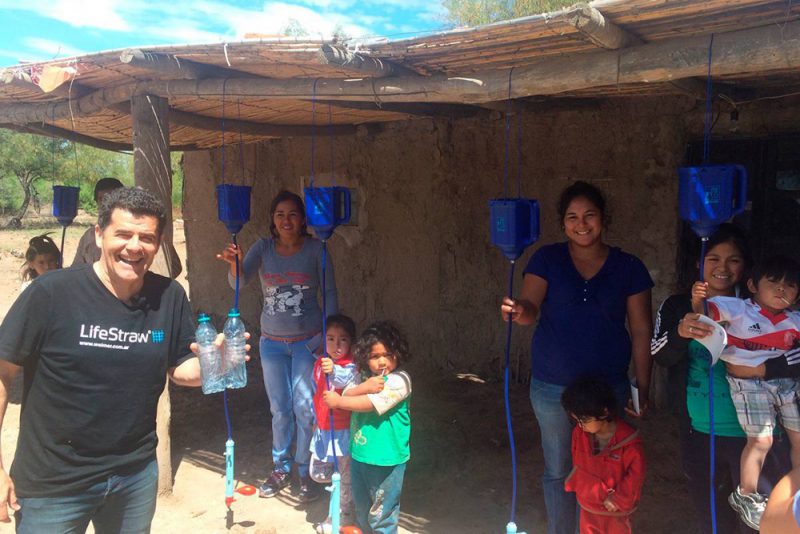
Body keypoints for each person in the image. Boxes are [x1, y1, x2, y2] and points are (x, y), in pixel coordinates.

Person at [0, 187, 247, 532]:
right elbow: (3, 371)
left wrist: (214, 364)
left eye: (146, 237)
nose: (134, 246)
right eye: (123, 234)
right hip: (53, 482)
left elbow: (179, 368)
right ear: (99, 235)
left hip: (134, 475)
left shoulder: (168, 296)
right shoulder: (52, 293)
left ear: (158, 243)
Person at [500, 180, 653, 534]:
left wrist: (642, 384)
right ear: (562, 222)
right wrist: (516, 309)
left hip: (607, 391)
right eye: (572, 217)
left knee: (607, 468)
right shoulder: (547, 259)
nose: (581, 224)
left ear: (603, 218)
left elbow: (641, 329)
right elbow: (529, 310)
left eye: (589, 215)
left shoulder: (629, 267)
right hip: (553, 387)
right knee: (559, 469)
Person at [652, 224, 790, 533]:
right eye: (713, 258)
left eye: (733, 260)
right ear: (698, 263)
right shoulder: (678, 306)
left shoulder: (766, 307)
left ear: (746, 268)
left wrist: (762, 370)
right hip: (700, 431)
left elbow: (796, 357)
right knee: (711, 516)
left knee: (760, 521)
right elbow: (659, 355)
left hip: (758, 434)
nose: (722, 268)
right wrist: (679, 334)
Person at [217, 189, 337, 502]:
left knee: (305, 408)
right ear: (272, 219)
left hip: (307, 343)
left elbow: (331, 295)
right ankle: (281, 466)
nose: (286, 220)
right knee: (280, 409)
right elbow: (238, 283)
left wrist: (329, 339)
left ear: (303, 220)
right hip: (271, 344)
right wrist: (235, 263)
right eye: (280, 214)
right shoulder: (262, 248)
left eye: (293, 214)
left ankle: (304, 468)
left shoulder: (316, 250)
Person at [692, 255, 800, 530]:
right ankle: (747, 495)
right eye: (773, 282)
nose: (781, 290)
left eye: (790, 285)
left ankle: (797, 490)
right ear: (752, 285)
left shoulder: (795, 320)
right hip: (748, 385)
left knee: (799, 439)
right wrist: (697, 298)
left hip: (785, 384)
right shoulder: (739, 309)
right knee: (761, 441)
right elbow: (704, 314)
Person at [323, 321, 411, 534]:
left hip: (387, 459)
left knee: (382, 513)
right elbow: (347, 392)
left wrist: (338, 403)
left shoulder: (400, 380)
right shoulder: (363, 378)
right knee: (362, 508)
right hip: (360, 455)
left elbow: (370, 403)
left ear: (397, 354)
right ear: (364, 358)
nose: (382, 362)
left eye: (388, 354)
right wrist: (362, 387)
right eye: (374, 356)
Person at [562, 376, 645, 534]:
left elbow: (636, 476)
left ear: (604, 411)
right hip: (588, 509)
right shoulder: (579, 434)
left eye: (584, 420)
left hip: (615, 513)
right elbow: (578, 464)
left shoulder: (629, 444)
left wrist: (619, 499)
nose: (580, 425)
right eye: (577, 420)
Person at [310, 314, 360, 533]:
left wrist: (334, 369)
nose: (336, 345)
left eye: (343, 339)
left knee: (343, 479)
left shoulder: (350, 366)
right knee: (317, 471)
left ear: (351, 342)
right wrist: (315, 421)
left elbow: (343, 379)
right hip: (323, 428)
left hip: (342, 430)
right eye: (330, 339)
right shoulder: (319, 364)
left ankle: (338, 516)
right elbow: (318, 393)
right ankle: (343, 488)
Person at [71, 178, 124, 266]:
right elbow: (76, 270)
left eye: (111, 199)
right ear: (96, 202)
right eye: (102, 199)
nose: (106, 204)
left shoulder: (133, 235)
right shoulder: (89, 236)